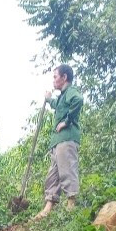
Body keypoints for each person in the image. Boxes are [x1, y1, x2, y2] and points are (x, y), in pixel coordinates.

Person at [35, 64, 83, 219]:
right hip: (57, 142)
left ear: (64, 77)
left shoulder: (71, 92)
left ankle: (71, 205)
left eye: (55, 77)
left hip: (67, 138)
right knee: (53, 175)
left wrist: (67, 121)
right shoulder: (62, 96)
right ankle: (48, 207)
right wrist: (49, 99)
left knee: (67, 170)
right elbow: (57, 104)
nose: (53, 80)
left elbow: (78, 100)